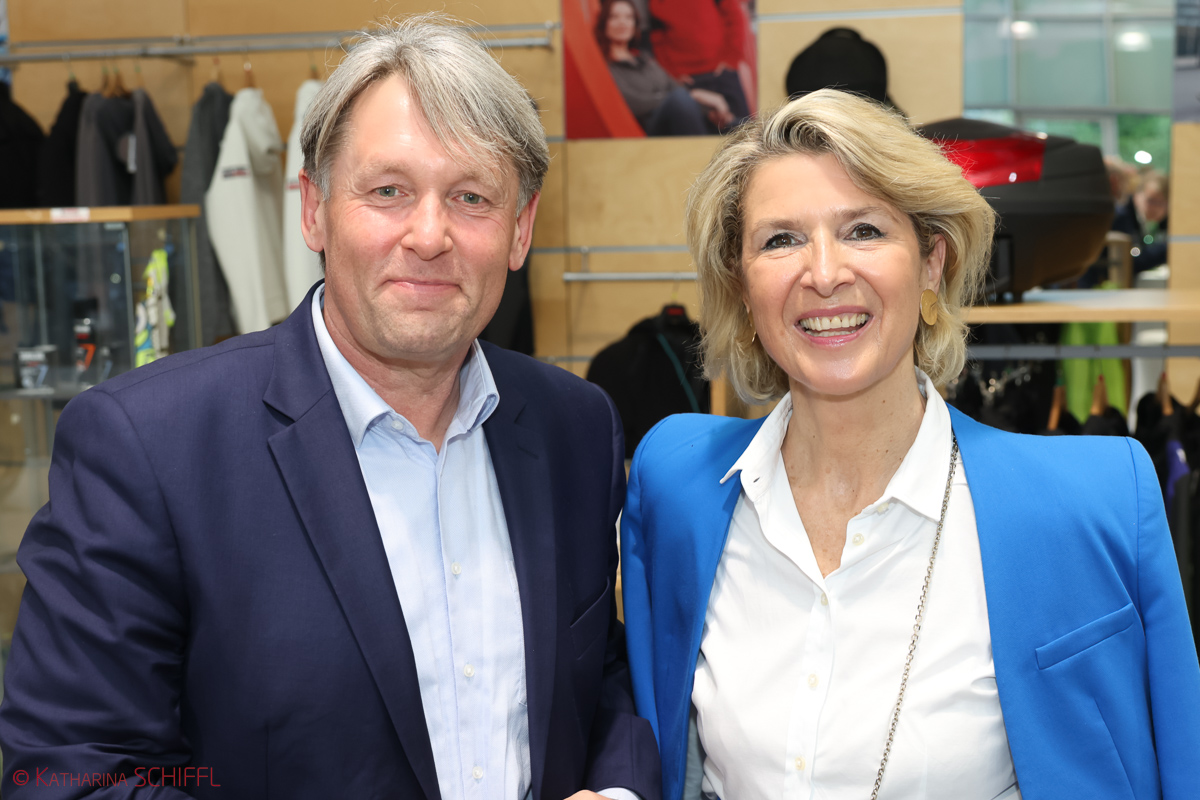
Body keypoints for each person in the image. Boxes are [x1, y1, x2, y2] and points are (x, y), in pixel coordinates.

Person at [0, 15, 660, 800]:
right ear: (312, 209)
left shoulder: (576, 428)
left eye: (471, 197)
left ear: (520, 230)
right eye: (388, 191)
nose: (429, 235)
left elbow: (598, 674)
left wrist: (618, 791)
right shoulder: (148, 446)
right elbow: (71, 774)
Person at [619, 89, 1200, 800]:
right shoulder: (676, 483)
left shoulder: (1092, 500)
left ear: (931, 263)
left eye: (863, 230)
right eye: (781, 240)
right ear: (742, 285)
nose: (824, 273)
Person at [595, 0, 731, 136]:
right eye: (614, 17)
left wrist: (708, 111)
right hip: (649, 130)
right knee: (679, 99)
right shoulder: (605, 66)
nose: (622, 22)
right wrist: (694, 95)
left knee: (733, 123)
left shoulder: (645, 59)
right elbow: (634, 104)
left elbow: (675, 87)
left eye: (628, 17)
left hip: (680, 119)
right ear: (604, 23)